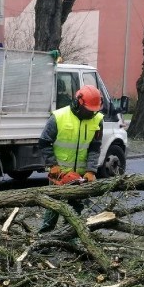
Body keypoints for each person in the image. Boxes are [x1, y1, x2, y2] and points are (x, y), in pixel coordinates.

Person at [37, 84, 104, 233]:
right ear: (78, 103)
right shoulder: (59, 117)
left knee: (76, 209)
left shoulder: (97, 120)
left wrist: (91, 171)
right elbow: (44, 142)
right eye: (88, 110)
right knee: (53, 206)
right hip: (59, 171)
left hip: (80, 174)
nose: (91, 114)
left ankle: (69, 238)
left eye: (93, 111)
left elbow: (95, 147)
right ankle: (45, 238)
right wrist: (52, 164)